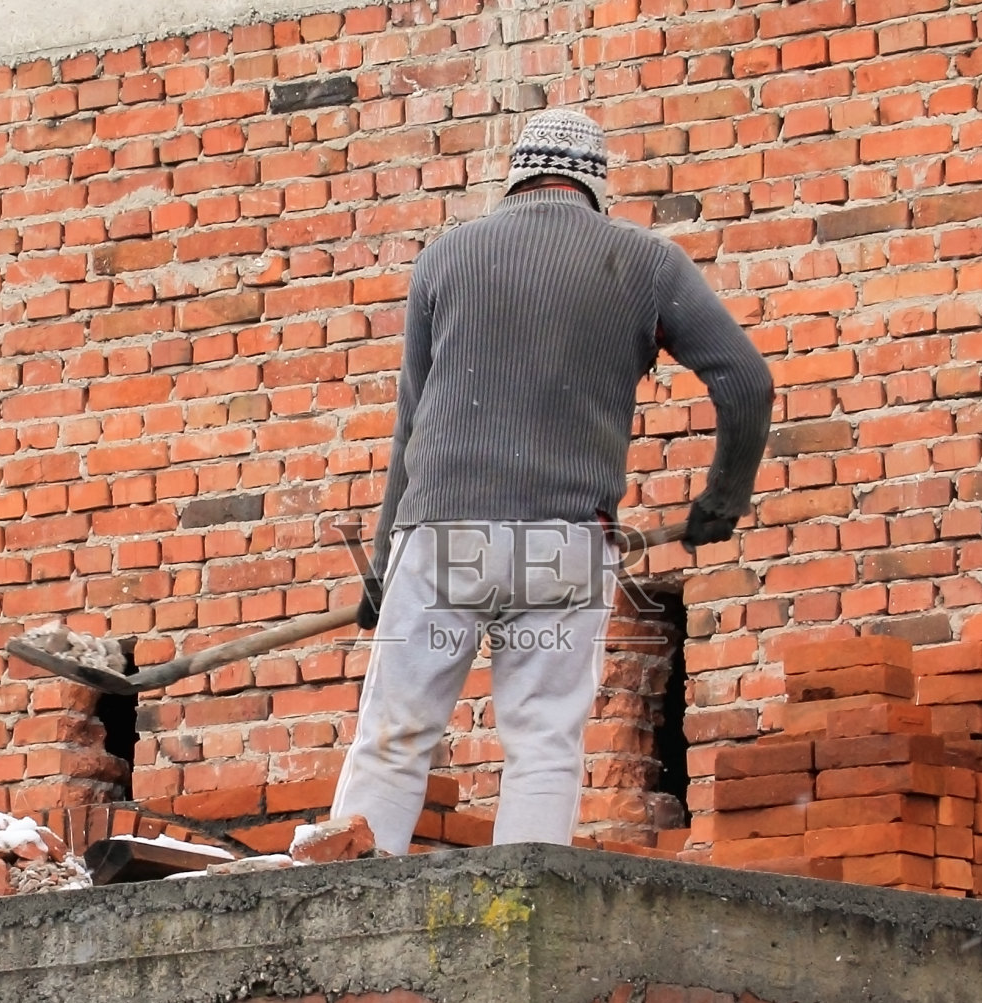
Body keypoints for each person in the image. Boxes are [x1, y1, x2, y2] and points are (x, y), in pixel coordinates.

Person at [330, 109, 775, 855]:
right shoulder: (646, 262)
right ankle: (519, 927)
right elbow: (747, 382)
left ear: (515, 178)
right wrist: (722, 497)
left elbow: (410, 429)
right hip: (566, 545)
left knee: (393, 738)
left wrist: (382, 569)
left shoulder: (445, 259)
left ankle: (342, 917)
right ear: (596, 186)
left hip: (441, 538)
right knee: (543, 746)